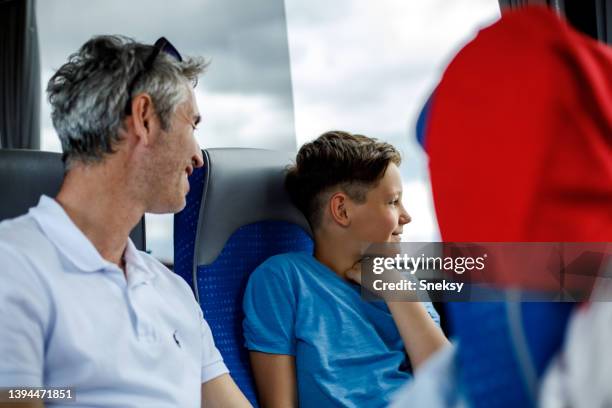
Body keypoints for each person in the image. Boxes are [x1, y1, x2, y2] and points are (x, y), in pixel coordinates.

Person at [0, 36, 251, 407]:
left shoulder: (174, 291)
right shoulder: (13, 266)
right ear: (145, 119)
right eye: (192, 125)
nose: (199, 156)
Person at [242, 130, 449, 407]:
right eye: (392, 201)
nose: (406, 216)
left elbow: (447, 384)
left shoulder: (401, 281)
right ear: (342, 210)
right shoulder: (283, 279)